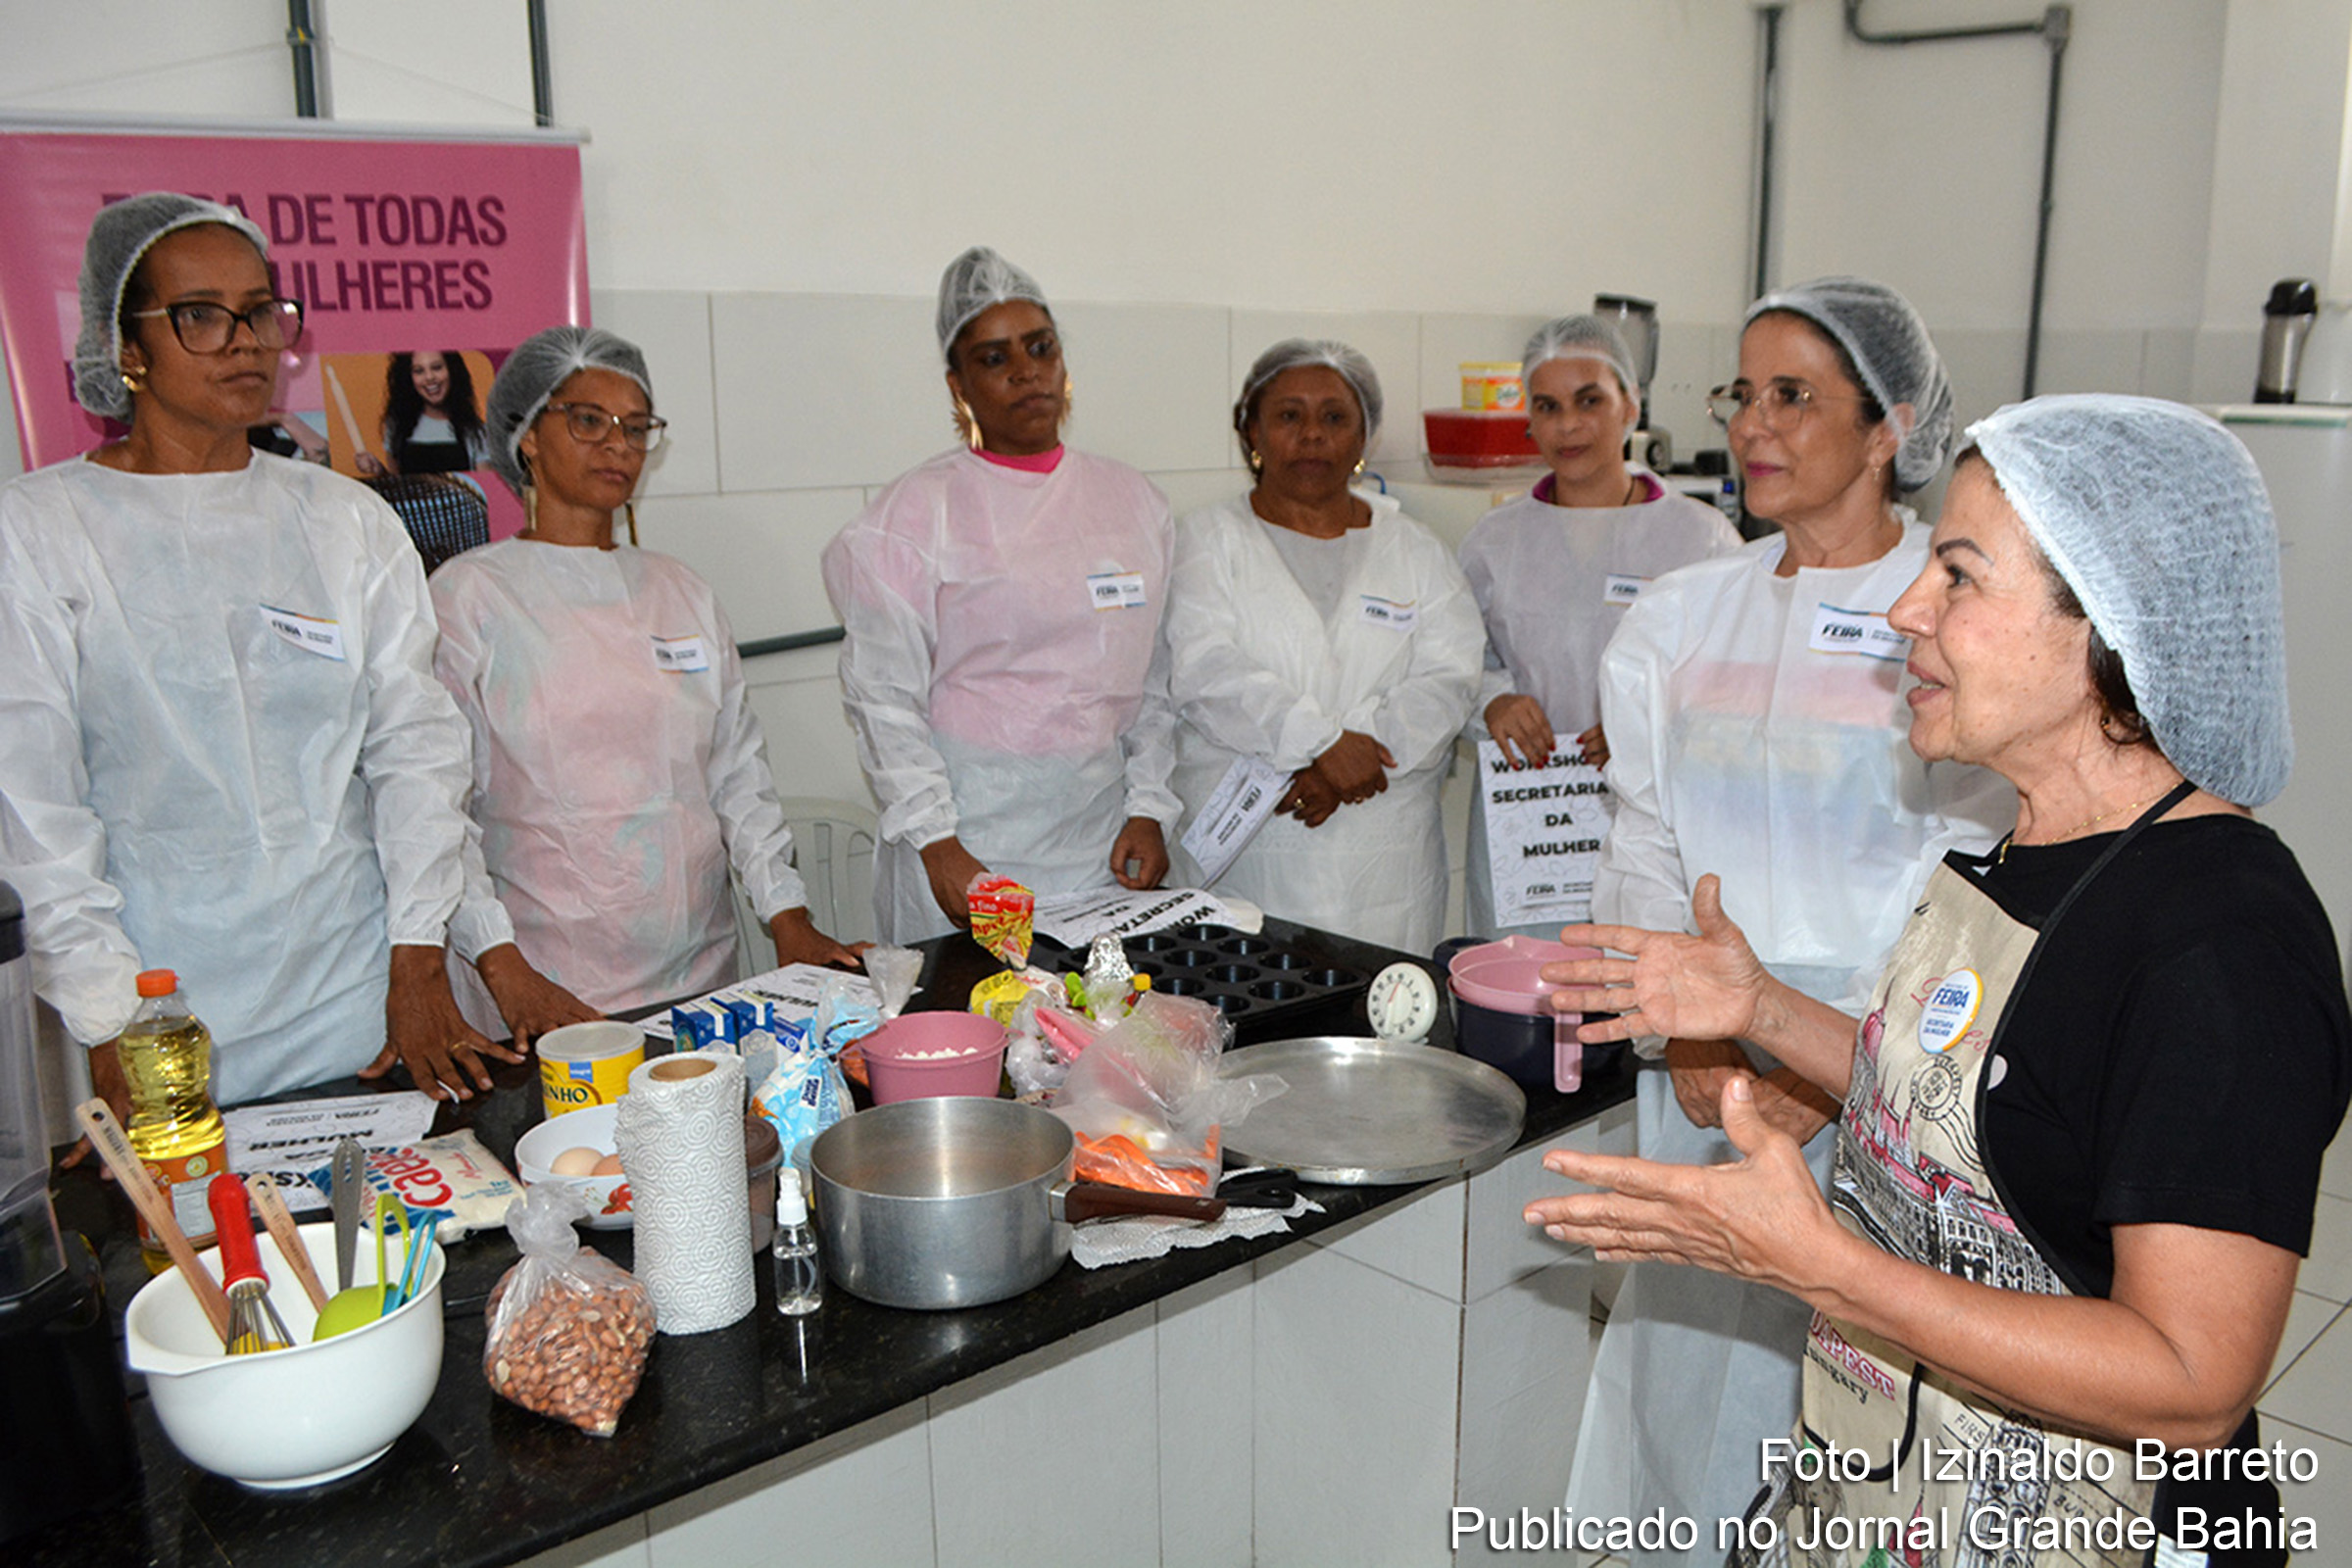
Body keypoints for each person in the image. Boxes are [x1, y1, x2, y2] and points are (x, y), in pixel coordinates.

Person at [1530, 395, 2350, 1566]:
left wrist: (1826, 1271)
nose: (1907, 608)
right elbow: (1969, 1101)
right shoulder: (2025, 852)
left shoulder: (2221, 947)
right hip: (1891, 1495)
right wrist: (1759, 1007)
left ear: (2111, 619)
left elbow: (2191, 1382)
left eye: (1957, 576)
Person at [1561, 277, 2015, 1562]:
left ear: (1891, 427)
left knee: (1845, 1391)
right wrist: (1694, 1043)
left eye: (1795, 396)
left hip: (1884, 1064)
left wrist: (1831, 1065)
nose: (1756, 426)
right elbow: (1642, 836)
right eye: (1742, 394)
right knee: (1678, 1363)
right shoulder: (1682, 614)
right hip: (1699, 1064)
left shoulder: (1954, 613)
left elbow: (1974, 875)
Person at [0, 193, 514, 1109]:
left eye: (262, 310)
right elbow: (35, 807)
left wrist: (418, 956)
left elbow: (416, 750)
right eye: (200, 315)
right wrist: (109, 1017)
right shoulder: (40, 531)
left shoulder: (343, 519)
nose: (246, 339)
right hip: (160, 1012)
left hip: (359, 999)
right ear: (126, 350)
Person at [432, 326, 862, 1036]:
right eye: (588, 420)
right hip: (542, 978)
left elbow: (736, 778)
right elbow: (442, 811)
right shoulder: (471, 597)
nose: (619, 445)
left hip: (697, 970)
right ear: (527, 437)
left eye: (636, 427)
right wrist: (500, 963)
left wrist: (789, 916)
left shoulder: (679, 591)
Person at [821, 247, 1179, 944]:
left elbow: (1154, 681)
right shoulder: (912, 519)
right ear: (957, 385)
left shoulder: (1134, 504)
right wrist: (936, 842)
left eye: (1039, 347)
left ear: (1064, 364)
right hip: (970, 853)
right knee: (976, 1039)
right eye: (993, 358)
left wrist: (1151, 807)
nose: (1025, 370)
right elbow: (882, 699)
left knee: (1097, 1042)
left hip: (1102, 848)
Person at [1162, 339, 1484, 954]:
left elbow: (1450, 679)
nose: (1313, 435)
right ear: (1248, 428)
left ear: (1364, 438)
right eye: (1289, 416)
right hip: (1249, 860)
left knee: (1386, 1032)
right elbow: (1205, 668)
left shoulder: (1416, 551)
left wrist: (1358, 756)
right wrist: (1321, 742)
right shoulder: (1206, 542)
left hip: (1385, 865)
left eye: (1335, 418)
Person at [1459, 316, 1741, 939]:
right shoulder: (1494, 542)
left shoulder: (1700, 538)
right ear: (1528, 419)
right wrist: (1494, 702)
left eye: (1590, 401)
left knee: (1641, 1005)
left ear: (1630, 405)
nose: (1569, 425)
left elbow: (1734, 686)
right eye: (1548, 406)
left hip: (1657, 825)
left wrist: (1648, 730)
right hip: (1528, 829)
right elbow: (1456, 663)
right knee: (1521, 1003)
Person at [359, 350, 490, 475]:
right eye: (419, 371)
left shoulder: (475, 431)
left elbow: (486, 492)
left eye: (437, 367)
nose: (429, 377)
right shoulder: (398, 425)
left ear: (452, 370)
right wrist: (378, 470)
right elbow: (397, 486)